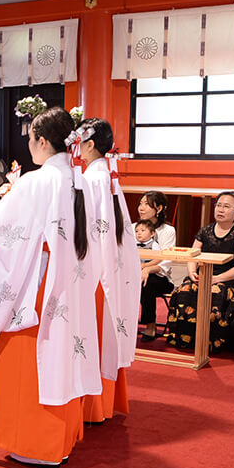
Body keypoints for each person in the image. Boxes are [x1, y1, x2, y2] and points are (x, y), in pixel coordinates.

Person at [0, 107, 99, 467]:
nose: (29, 146)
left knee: (29, 362)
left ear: (42, 141)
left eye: (30, 139)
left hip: (38, 286)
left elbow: (5, 231)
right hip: (68, 280)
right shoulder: (78, 178)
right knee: (62, 358)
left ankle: (35, 445)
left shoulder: (38, 180)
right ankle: (61, 439)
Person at [77, 118, 140, 424]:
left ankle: (92, 406)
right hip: (109, 268)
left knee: (93, 338)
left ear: (89, 145)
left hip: (95, 271)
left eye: (79, 141)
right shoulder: (105, 175)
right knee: (105, 337)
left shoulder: (92, 179)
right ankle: (102, 403)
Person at [164, 191, 234, 353]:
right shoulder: (205, 231)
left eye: (226, 206)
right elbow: (192, 255)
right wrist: (192, 272)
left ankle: (211, 341)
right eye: (218, 205)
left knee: (216, 292)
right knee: (184, 290)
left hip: (231, 279)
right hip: (204, 274)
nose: (220, 209)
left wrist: (217, 278)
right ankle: (186, 337)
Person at [136, 190, 177, 340]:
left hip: (160, 277)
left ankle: (150, 325)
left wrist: (147, 269)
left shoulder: (168, 231)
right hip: (134, 272)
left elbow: (166, 262)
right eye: (140, 204)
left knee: (147, 283)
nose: (141, 208)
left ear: (158, 208)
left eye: (146, 204)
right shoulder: (133, 227)